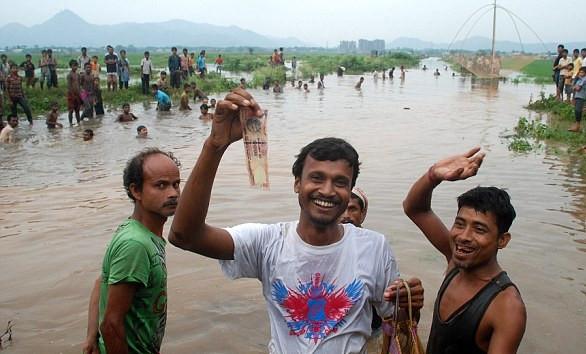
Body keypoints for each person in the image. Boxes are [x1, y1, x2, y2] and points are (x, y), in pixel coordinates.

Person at [168, 89, 423, 353]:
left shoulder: (374, 247)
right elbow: (184, 236)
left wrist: (411, 304)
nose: (327, 191)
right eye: (316, 178)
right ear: (297, 184)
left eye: (340, 182)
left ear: (350, 192)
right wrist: (215, 145)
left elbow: (398, 321)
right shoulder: (267, 242)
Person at [403, 147, 526, 353]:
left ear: (502, 240)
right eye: (460, 223)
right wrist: (433, 175)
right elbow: (414, 208)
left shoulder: (506, 306)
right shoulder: (455, 261)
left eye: (479, 229)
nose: (464, 237)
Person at [82, 148, 179, 354]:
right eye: (160, 185)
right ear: (136, 191)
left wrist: (91, 337)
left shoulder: (136, 231)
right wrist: (96, 334)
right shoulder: (135, 244)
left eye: (176, 184)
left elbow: (102, 282)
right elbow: (110, 325)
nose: (173, 193)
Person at [569, 66, 586, 132]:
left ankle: (577, 127)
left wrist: (574, 87)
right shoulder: (579, 79)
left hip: (581, 97)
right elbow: (573, 87)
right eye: (580, 72)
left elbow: (578, 89)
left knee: (578, 111)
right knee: (577, 111)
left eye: (582, 72)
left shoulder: (584, 79)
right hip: (578, 96)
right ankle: (577, 126)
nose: (580, 73)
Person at [67, 60, 82, 125]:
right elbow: (69, 86)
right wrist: (72, 94)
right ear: (71, 66)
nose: (75, 67)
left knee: (77, 110)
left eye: (76, 66)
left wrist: (80, 95)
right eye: (74, 66)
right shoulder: (69, 75)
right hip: (71, 94)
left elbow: (79, 85)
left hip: (77, 94)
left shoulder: (78, 75)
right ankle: (70, 123)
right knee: (71, 110)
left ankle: (78, 122)